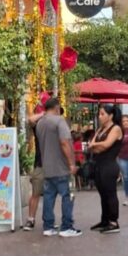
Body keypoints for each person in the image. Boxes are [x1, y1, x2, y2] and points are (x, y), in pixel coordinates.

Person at [35, 97, 81, 237]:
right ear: (56, 107)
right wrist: (72, 163)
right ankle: (66, 226)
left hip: (47, 167)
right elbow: (64, 143)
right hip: (62, 167)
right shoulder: (59, 121)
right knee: (68, 195)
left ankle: (48, 226)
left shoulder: (40, 123)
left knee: (49, 197)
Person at [88, 104, 124, 234]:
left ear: (111, 116)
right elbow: (93, 146)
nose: (100, 116)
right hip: (99, 164)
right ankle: (105, 220)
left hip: (109, 165)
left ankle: (114, 222)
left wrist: (95, 145)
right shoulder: (101, 129)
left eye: (103, 114)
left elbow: (106, 145)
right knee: (103, 194)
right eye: (99, 114)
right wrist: (96, 146)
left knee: (110, 193)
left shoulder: (116, 129)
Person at [23, 104, 46, 230]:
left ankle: (49, 220)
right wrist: (43, 114)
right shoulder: (38, 126)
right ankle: (30, 219)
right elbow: (30, 119)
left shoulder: (54, 125)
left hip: (54, 164)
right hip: (40, 163)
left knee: (50, 194)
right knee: (36, 192)